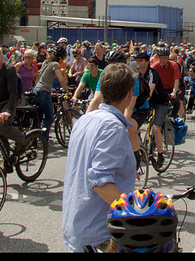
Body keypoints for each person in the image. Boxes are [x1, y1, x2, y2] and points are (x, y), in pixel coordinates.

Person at [62, 63, 136, 252]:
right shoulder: (113, 127)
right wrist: (136, 214)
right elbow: (100, 182)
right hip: (100, 232)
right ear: (130, 93)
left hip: (77, 224)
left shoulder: (84, 120)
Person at [31, 46, 72, 142]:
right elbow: (61, 79)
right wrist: (67, 92)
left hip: (36, 90)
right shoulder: (55, 64)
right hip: (43, 91)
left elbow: (43, 78)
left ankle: (33, 139)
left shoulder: (47, 63)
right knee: (49, 117)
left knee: (39, 117)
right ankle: (43, 139)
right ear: (61, 57)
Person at [152, 46, 182, 118]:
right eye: (162, 58)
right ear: (158, 57)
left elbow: (176, 80)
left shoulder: (174, 65)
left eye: (166, 58)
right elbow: (150, 78)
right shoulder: (155, 66)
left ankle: (173, 117)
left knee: (176, 103)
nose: (164, 60)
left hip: (171, 88)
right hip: (160, 88)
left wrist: (174, 91)